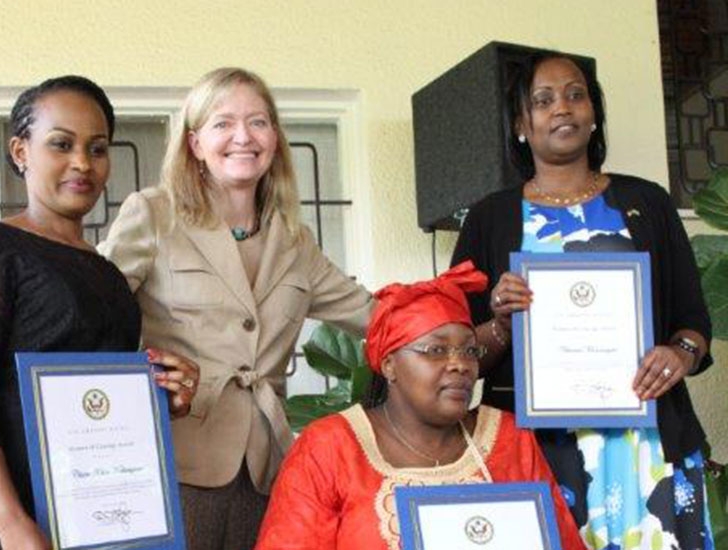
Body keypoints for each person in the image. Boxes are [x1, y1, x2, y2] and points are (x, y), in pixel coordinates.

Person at [94, 67, 373, 550]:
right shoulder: (154, 213)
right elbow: (84, 304)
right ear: (195, 143)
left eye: (258, 122)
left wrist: (475, 320)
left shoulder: (294, 240)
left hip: (266, 473)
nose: (243, 136)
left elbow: (374, 312)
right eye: (223, 123)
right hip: (173, 464)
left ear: (275, 139)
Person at [0, 76, 198, 550]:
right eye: (61, 144)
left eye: (97, 148)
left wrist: (161, 400)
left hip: (84, 515)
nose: (81, 163)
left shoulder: (109, 274)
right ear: (21, 151)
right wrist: (12, 527)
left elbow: (87, 403)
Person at [451, 52, 715, 549]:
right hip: (536, 450)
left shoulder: (649, 203)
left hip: (647, 444)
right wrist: (501, 323)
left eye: (576, 95)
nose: (562, 109)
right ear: (521, 124)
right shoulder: (488, 220)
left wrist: (679, 353)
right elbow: (461, 355)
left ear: (594, 114)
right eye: (543, 100)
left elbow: (691, 320)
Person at [254, 261, 584, 550]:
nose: (460, 365)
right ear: (389, 365)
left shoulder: (509, 439)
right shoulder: (329, 448)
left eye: (469, 351)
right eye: (436, 351)